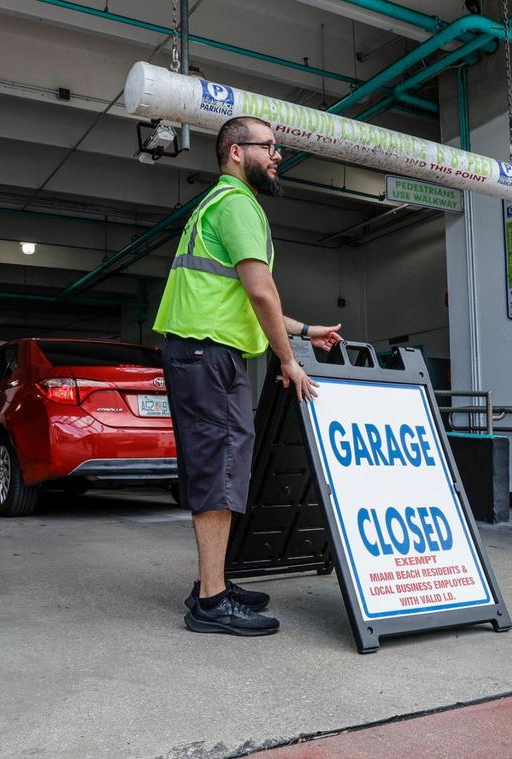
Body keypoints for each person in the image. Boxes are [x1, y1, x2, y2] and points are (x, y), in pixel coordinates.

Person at [154, 116, 342, 636]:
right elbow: (261, 292)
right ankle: (211, 604)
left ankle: (212, 582)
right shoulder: (237, 203)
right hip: (208, 354)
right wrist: (288, 360)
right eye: (270, 147)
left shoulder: (220, 202)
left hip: (206, 352)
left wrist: (305, 332)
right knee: (219, 468)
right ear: (237, 152)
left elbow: (247, 296)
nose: (278, 155)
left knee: (223, 465)